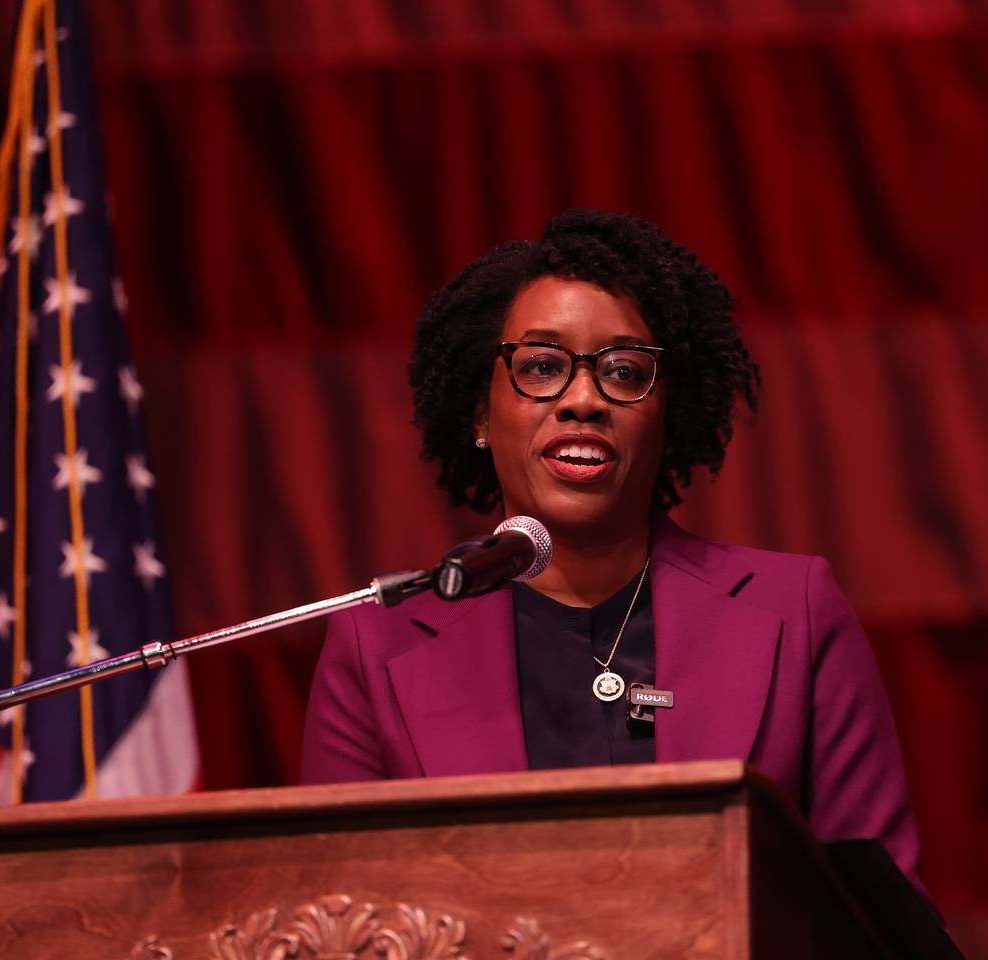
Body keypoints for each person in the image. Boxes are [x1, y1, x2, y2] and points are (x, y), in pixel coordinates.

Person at [301, 209, 929, 896]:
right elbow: (342, 919)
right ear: (481, 414)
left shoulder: (796, 612)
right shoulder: (375, 644)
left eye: (624, 371)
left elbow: (882, 922)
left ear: (667, 413)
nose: (583, 400)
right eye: (541, 365)